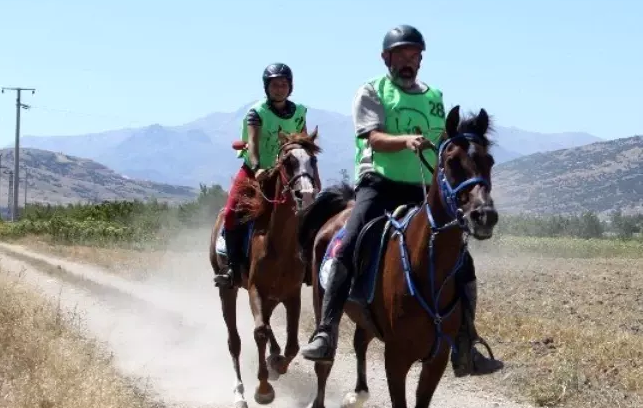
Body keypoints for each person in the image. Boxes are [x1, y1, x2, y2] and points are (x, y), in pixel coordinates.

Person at [299, 24, 502, 376]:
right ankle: (326, 330)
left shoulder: (434, 96)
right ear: (386, 58)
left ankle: (466, 341)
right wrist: (406, 140)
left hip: (422, 188)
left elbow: (446, 144)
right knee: (348, 244)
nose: (409, 61)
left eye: (415, 55)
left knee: (461, 259)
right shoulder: (371, 91)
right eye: (402, 55)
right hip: (379, 184)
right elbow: (373, 138)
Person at [213, 63, 308, 288]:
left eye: (284, 84)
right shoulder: (256, 113)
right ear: (267, 87)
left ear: (290, 87)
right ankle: (232, 268)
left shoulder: (300, 112)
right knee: (230, 212)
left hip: (287, 173)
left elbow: (303, 142)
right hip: (256, 172)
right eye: (275, 85)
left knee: (309, 211)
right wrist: (257, 169)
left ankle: (308, 266)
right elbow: (253, 145)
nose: (279, 89)